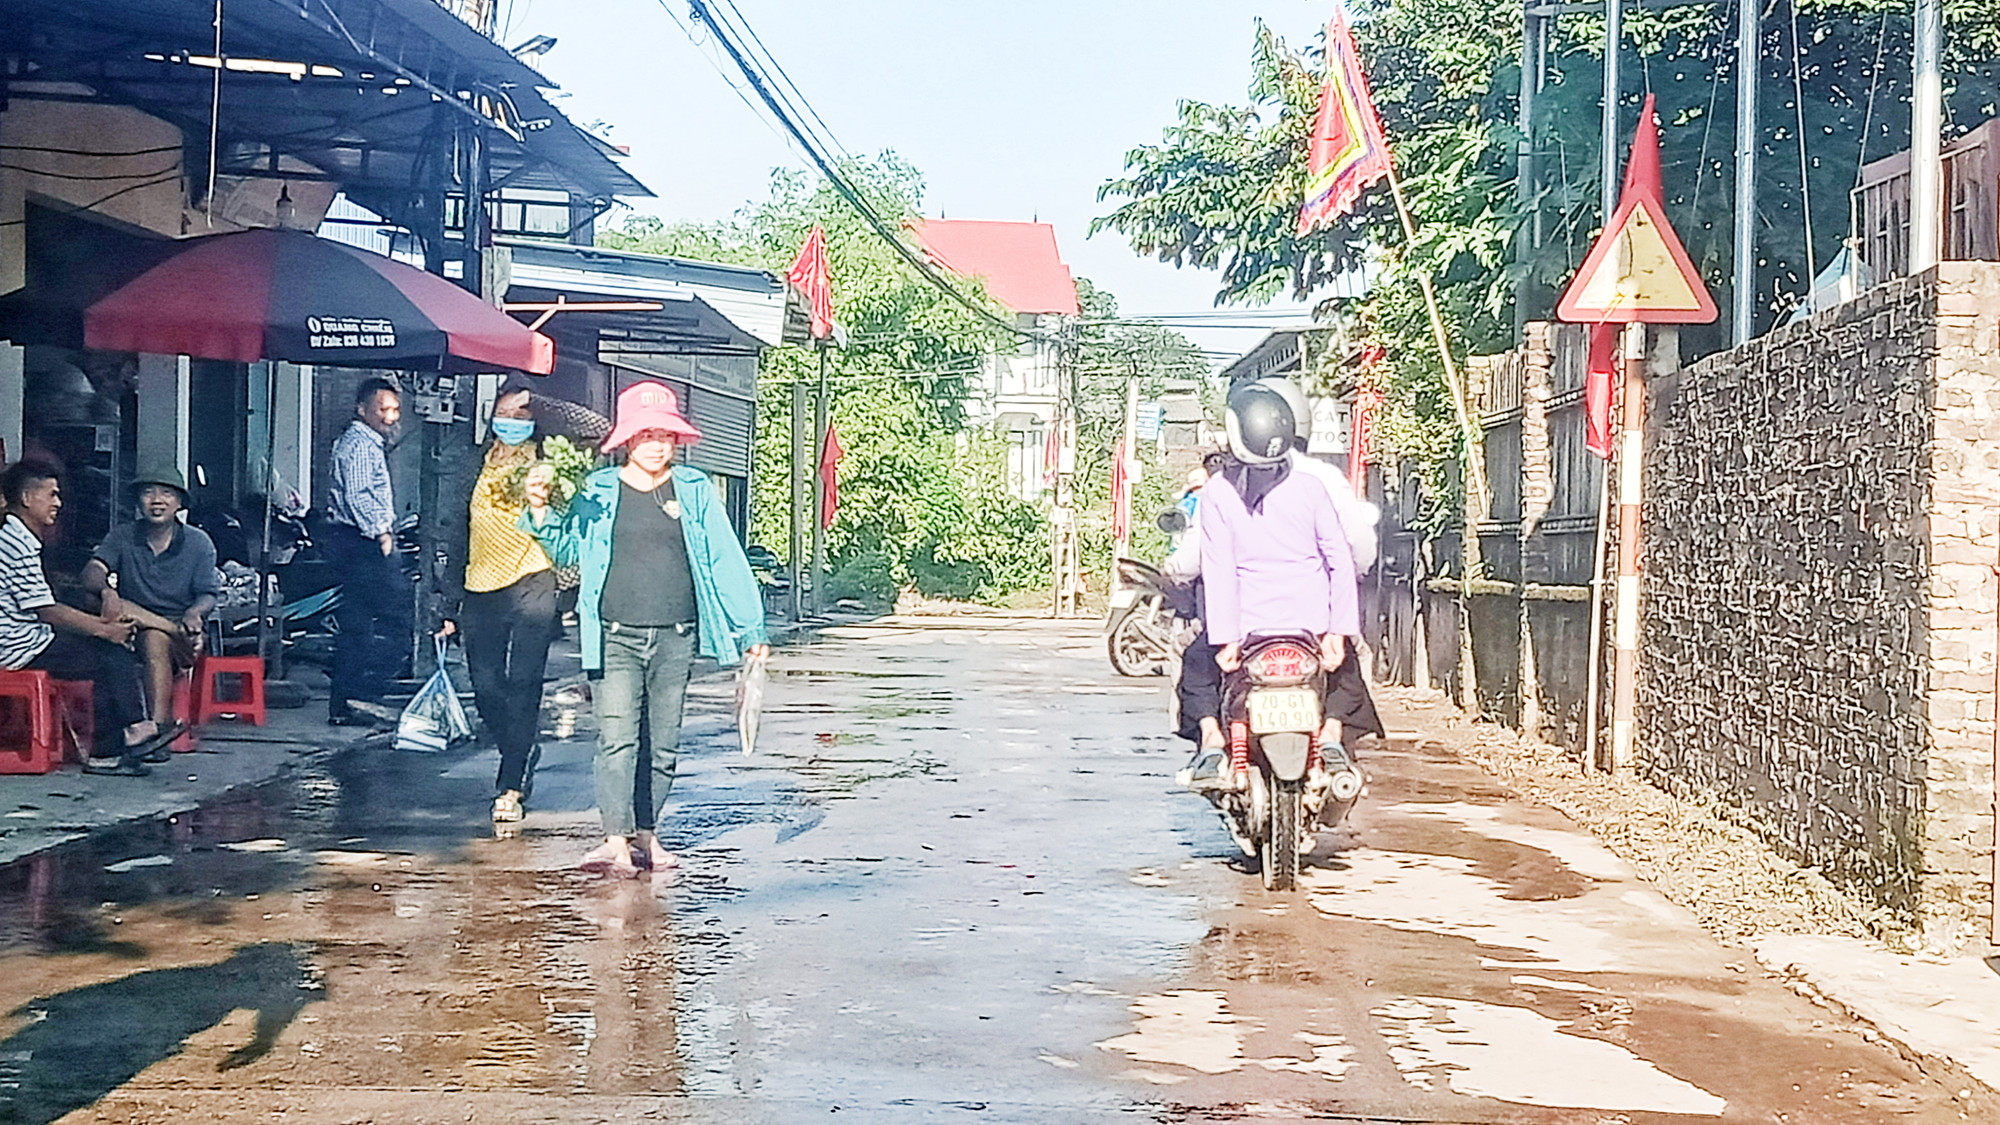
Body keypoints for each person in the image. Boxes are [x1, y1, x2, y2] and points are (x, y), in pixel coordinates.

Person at [523, 382, 771, 877]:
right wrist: (539, 511)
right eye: (646, 434)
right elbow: (567, 550)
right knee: (617, 739)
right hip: (614, 635)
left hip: (676, 637)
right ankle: (615, 842)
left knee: (663, 743)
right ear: (627, 440)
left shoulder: (695, 491)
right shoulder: (598, 489)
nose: (657, 444)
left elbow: (725, 560)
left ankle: (648, 837)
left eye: (665, 435)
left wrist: (752, 631)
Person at [1187, 385, 1365, 788]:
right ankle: (1333, 735)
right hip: (1312, 628)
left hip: (1247, 629)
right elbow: (1340, 560)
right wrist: (1337, 631)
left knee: (1196, 668)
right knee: (1348, 675)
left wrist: (1227, 639)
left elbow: (1219, 570)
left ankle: (1213, 740)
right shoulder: (1311, 488)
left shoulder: (1217, 493)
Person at [0, 461, 175, 775]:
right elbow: (47, 610)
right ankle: (111, 747)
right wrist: (103, 630)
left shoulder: (19, 538)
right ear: (27, 497)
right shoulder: (14, 543)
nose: (58, 503)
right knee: (106, 654)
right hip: (14, 647)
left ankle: (131, 734)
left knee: (105, 646)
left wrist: (102, 628)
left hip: (29, 636)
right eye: (51, 495)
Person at [445, 378, 559, 824]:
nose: (512, 424)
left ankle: (510, 785)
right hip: (480, 585)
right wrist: (447, 601)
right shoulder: (475, 462)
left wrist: (545, 405)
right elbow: (457, 531)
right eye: (506, 414)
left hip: (533, 578)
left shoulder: (547, 463)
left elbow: (594, 426)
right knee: (486, 686)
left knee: (524, 682)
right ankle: (522, 750)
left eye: (522, 416)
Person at [80, 467, 219, 728]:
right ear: (138, 501)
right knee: (112, 608)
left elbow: (207, 593)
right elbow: (93, 571)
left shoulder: (199, 542)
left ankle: (156, 727)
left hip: (182, 631)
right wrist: (106, 590)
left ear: (179, 503)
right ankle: (152, 728)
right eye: (148, 493)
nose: (156, 500)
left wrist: (194, 613)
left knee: (155, 639)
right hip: (132, 622)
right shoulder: (122, 536)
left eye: (166, 493)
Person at [326, 376, 411, 726]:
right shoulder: (360, 445)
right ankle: (360, 696)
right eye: (382, 409)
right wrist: (381, 533)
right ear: (362, 410)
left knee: (358, 625)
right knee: (396, 623)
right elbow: (358, 494)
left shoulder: (367, 442)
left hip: (356, 540)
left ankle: (349, 702)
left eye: (394, 410)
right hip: (361, 542)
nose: (390, 417)